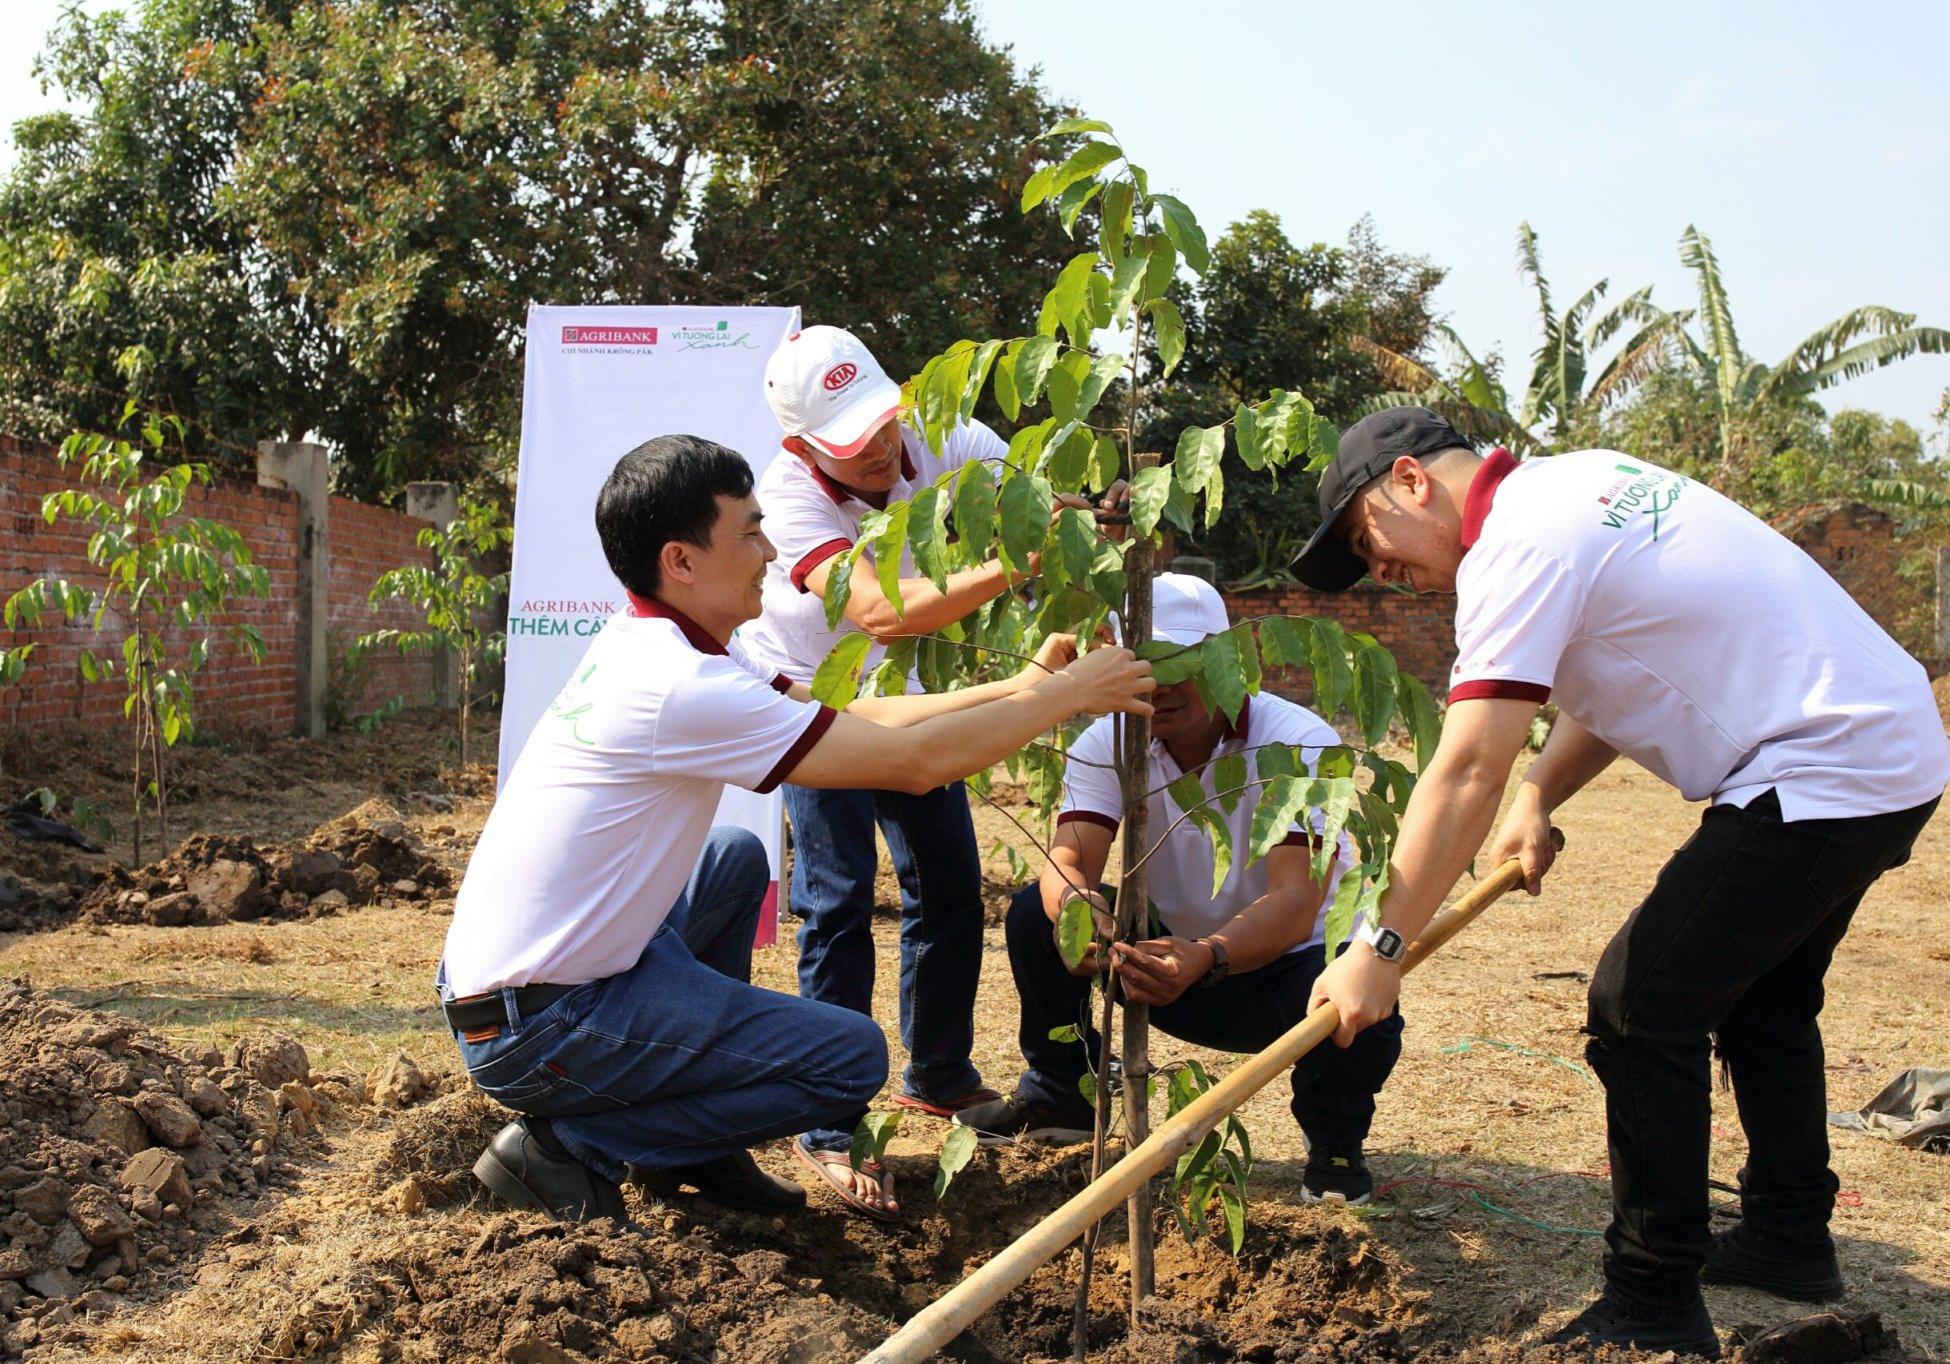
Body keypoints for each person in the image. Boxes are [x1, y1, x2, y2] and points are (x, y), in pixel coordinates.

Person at [1292, 407, 1948, 1356]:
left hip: (1824, 767)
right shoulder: (1579, 484)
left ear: (1409, 479)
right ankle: (1789, 1234)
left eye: (1366, 541)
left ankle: (1652, 1298)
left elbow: (1465, 768)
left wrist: (1379, 946)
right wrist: (1540, 792)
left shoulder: (1517, 546)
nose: (1377, 571)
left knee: (1639, 1006)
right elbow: (1612, 675)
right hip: (1884, 743)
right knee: (1763, 1000)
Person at [439, 434, 1154, 1227]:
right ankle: (575, 1145)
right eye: (750, 534)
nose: (771, 553)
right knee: (849, 1058)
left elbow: (858, 714)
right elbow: (913, 763)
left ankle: (699, 1143)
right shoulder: (683, 684)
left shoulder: (666, 641)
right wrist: (1067, 699)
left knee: (733, 858)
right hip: (539, 1027)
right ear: (681, 560)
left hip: (521, 985)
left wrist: (1026, 685)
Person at [739, 324, 1126, 1215]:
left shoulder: (940, 434)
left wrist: (1091, 514)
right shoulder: (786, 498)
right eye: (853, 443)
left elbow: (1036, 492)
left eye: (884, 423)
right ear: (801, 446)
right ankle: (830, 1120)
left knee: (949, 885)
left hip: (915, 702)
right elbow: (878, 612)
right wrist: (1018, 562)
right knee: (837, 903)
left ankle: (939, 1074)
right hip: (818, 704)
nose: (881, 450)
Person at [953, 573, 1404, 1205]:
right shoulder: (1108, 741)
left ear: (1225, 659)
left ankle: (1334, 1143)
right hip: (1165, 963)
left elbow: (1296, 902)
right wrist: (1079, 911)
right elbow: (1069, 858)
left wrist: (1208, 955)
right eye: (1141, 666)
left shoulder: (1297, 741)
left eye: (1179, 663)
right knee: (1036, 913)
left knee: (1359, 1002)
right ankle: (1061, 1094)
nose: (1160, 686)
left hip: (1290, 973)